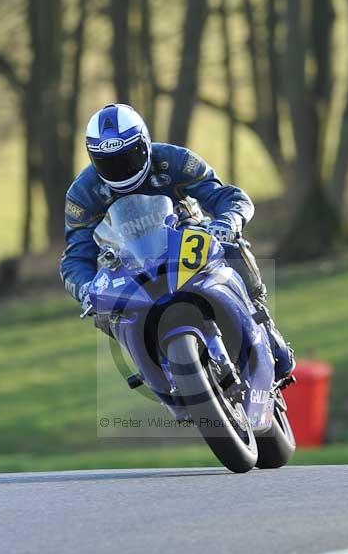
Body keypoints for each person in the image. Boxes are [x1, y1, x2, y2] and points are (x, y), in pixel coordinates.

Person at [60, 103, 295, 380]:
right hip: (129, 264)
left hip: (185, 240)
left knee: (232, 246)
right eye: (108, 163)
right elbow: (75, 257)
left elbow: (228, 197)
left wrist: (227, 222)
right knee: (105, 308)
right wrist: (86, 288)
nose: (121, 170)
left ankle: (262, 320)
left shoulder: (174, 160)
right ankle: (150, 367)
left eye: (128, 158)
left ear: (145, 145)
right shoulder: (83, 193)